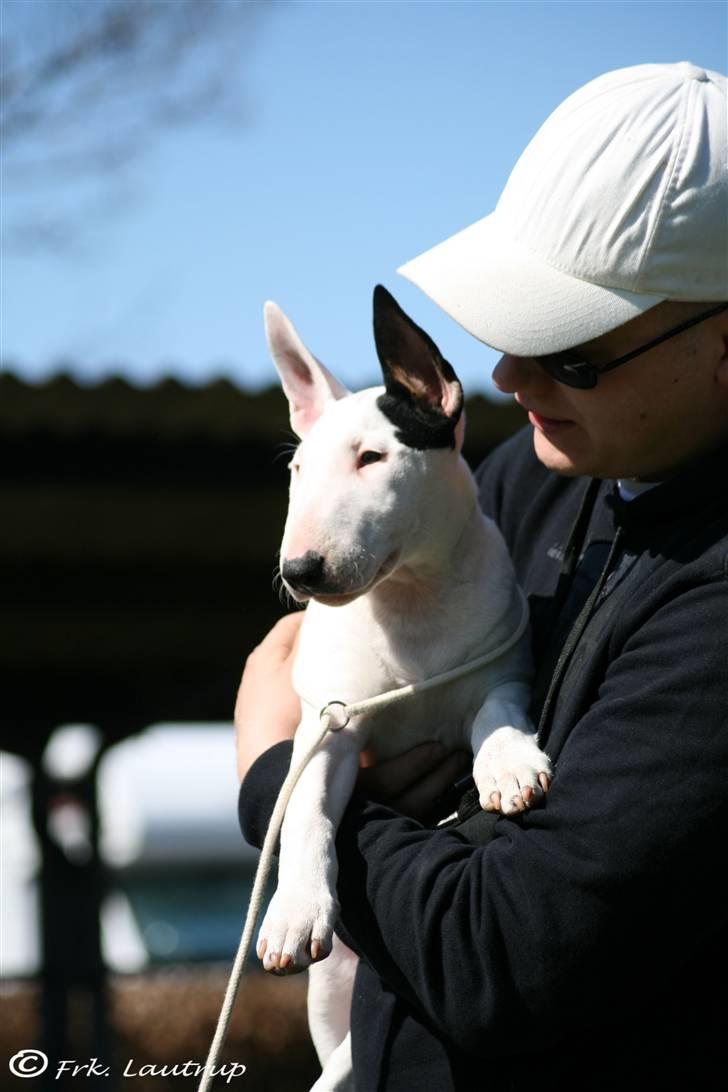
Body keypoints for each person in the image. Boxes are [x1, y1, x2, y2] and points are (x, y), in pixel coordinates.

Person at [236, 62, 728, 1091]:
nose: (508, 378)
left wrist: (275, 779)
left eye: (572, 348)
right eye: (514, 328)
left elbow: (502, 957)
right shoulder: (541, 478)